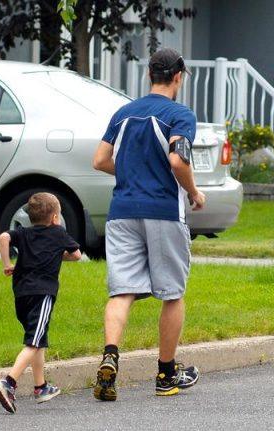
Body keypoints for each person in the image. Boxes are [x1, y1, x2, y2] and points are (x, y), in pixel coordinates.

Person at [91, 48, 206, 400]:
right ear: (178, 77)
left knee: (122, 290)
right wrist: (194, 192)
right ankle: (165, 375)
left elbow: (99, 160)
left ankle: (110, 356)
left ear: (148, 75)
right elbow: (178, 160)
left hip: (122, 211)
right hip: (162, 212)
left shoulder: (124, 113)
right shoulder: (179, 115)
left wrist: (131, 172)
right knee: (172, 293)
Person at [0, 192, 83, 413]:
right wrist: (57, 254)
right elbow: (77, 254)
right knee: (33, 342)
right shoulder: (59, 233)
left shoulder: (23, 233)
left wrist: (7, 263)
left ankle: (41, 386)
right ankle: (9, 382)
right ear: (54, 218)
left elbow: (4, 237)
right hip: (42, 294)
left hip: (21, 294)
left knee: (39, 339)